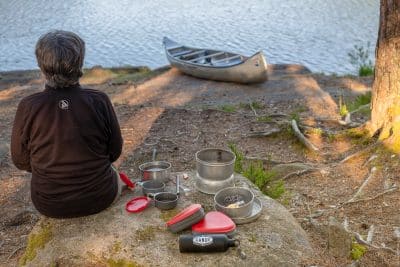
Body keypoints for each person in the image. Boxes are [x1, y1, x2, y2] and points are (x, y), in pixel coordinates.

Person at [11, 30, 124, 218]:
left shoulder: (29, 106)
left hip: (49, 204)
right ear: (80, 63)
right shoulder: (99, 101)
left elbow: (20, 160)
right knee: (115, 174)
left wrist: (48, 169)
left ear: (41, 66)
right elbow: (114, 151)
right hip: (100, 197)